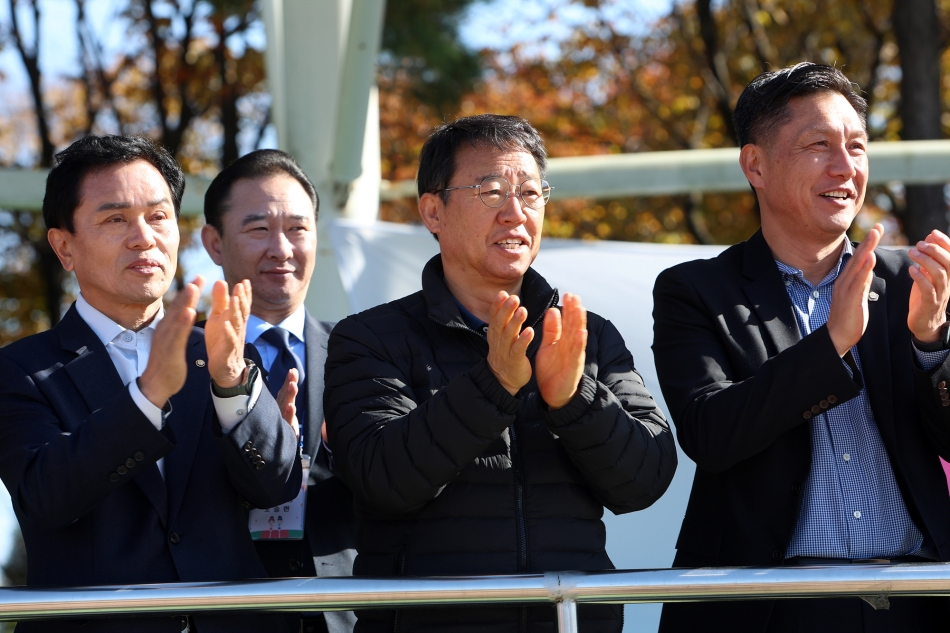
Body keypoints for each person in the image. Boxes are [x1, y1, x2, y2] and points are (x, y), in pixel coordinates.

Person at [323, 113, 677, 632]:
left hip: (570, 620)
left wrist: (574, 400)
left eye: (531, 194)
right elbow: (382, 480)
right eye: (491, 192)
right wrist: (494, 385)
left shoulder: (585, 334)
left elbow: (645, 479)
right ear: (433, 211)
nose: (516, 213)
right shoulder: (370, 338)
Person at [653, 63, 950, 632]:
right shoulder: (696, 290)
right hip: (773, 605)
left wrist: (931, 343)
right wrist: (833, 342)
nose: (846, 167)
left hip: (917, 597)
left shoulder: (914, 283)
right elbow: (710, 434)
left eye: (858, 147)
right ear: (755, 165)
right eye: (819, 146)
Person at [0, 135, 302, 633]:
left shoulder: (222, 349)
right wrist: (148, 396)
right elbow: (46, 496)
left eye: (159, 216)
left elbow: (275, 487)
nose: (144, 237)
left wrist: (230, 383)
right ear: (64, 247)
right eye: (115, 218)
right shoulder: (21, 370)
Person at [201, 149, 356, 633]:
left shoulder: (362, 355)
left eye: (297, 228)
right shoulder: (176, 363)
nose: (282, 248)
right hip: (221, 608)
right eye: (257, 229)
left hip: (347, 608)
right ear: (214, 243)